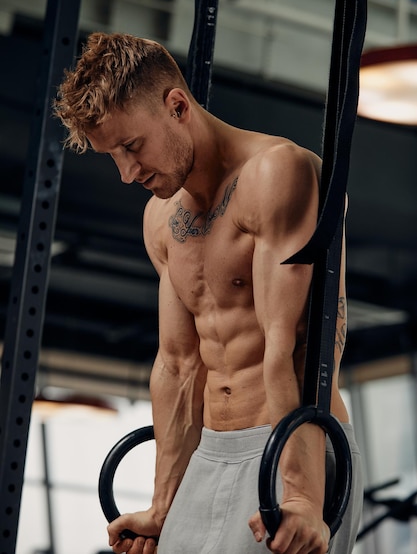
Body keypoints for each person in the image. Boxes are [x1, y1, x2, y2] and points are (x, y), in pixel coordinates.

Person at [54, 32, 363, 554]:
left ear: (177, 106)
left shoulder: (276, 174)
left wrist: (303, 497)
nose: (127, 173)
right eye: (114, 156)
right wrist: (163, 505)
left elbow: (293, 350)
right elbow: (177, 365)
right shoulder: (161, 217)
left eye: (132, 146)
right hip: (211, 454)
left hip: (290, 446)